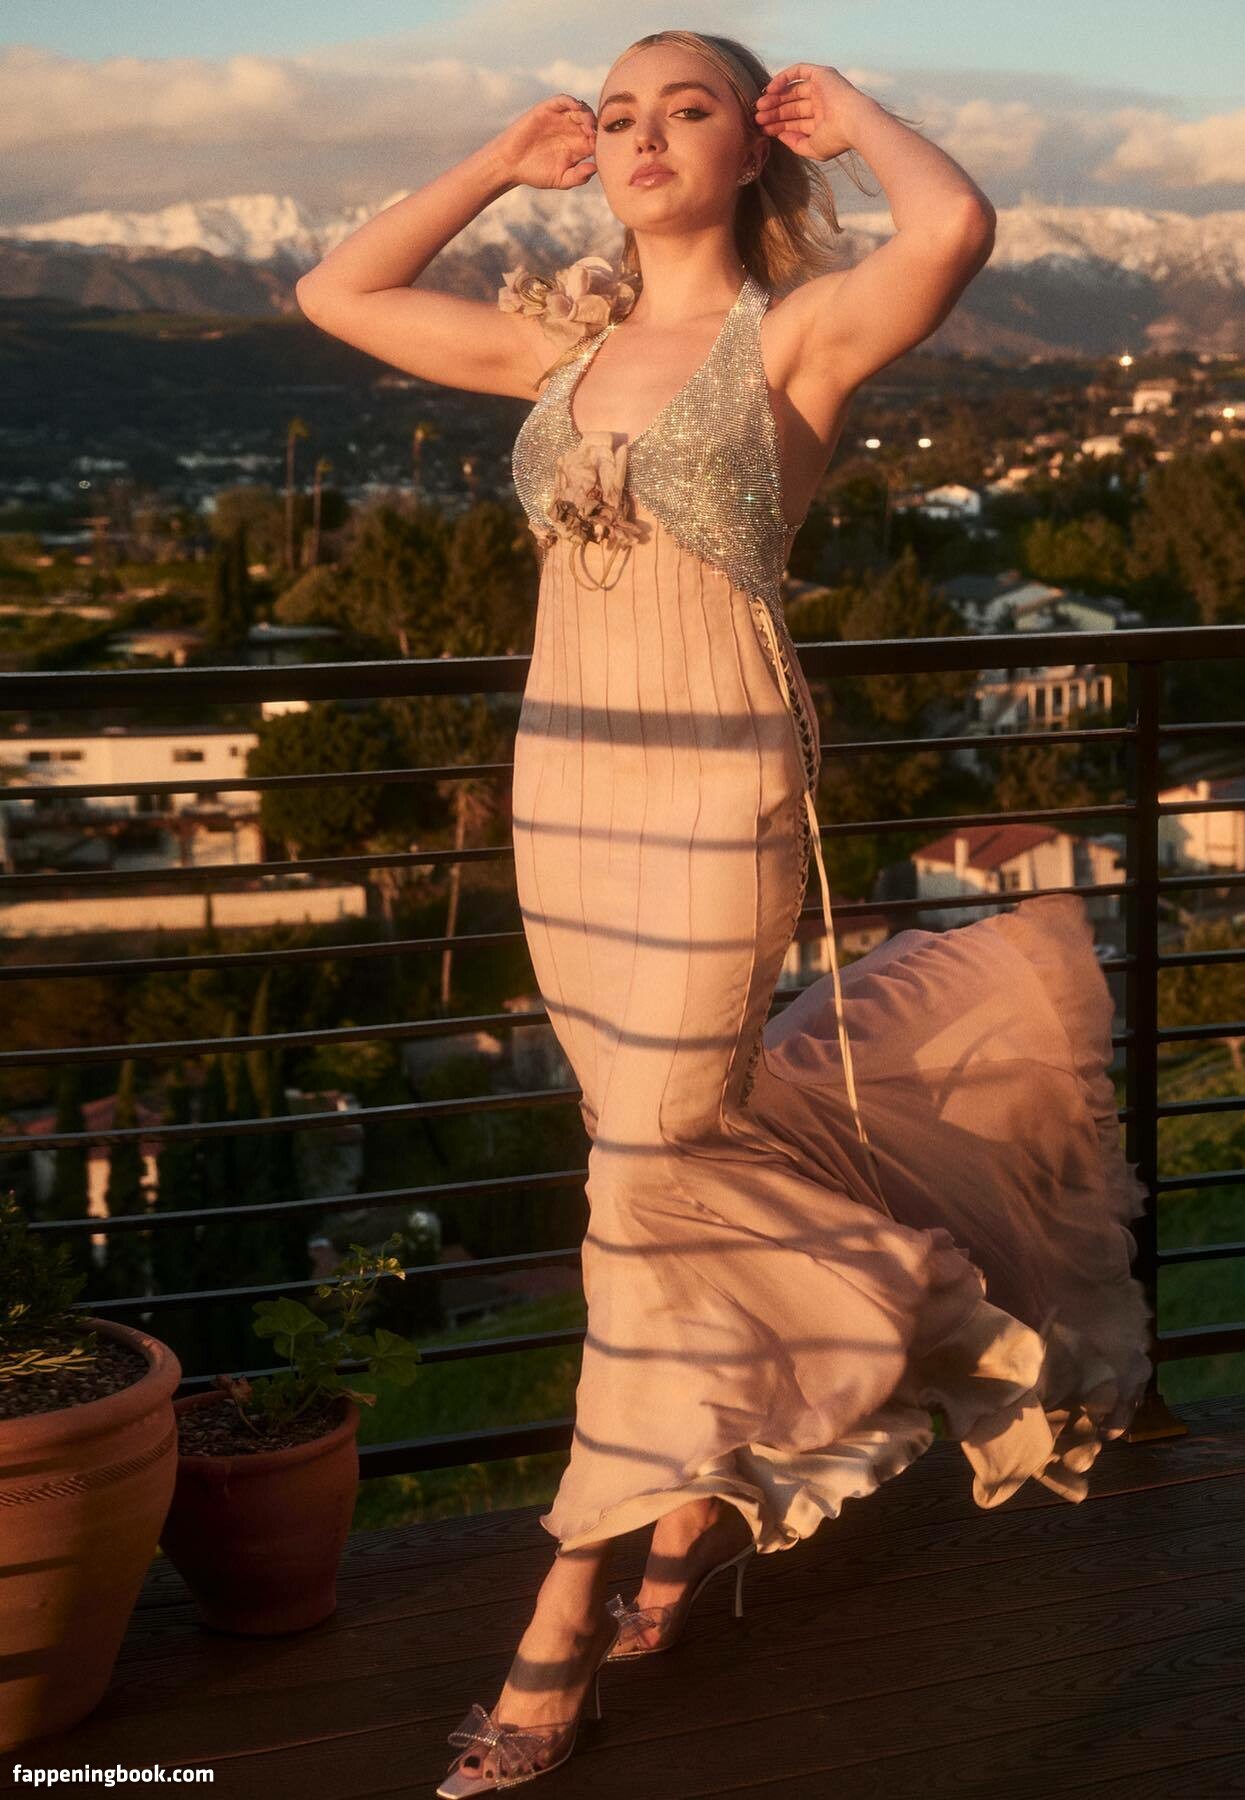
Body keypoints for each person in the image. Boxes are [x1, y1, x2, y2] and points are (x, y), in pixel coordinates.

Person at [295, 31, 1154, 1793]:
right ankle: (689, 1516)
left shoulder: (796, 339)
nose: (641, 136)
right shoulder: (560, 346)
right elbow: (337, 292)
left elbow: (954, 227)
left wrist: (862, 118)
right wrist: (497, 161)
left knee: (643, 1179)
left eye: (687, 108)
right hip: (565, 799)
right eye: (618, 113)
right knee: (655, 1164)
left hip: (711, 797)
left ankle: (561, 1612)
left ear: (755, 147)